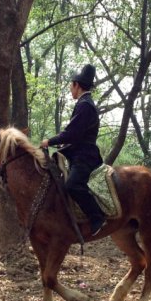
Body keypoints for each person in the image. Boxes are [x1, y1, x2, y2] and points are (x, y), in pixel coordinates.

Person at [40, 64, 107, 236]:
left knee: (72, 185)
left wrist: (50, 141)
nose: (70, 89)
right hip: (77, 152)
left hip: (84, 156)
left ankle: (96, 217)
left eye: (71, 85)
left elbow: (71, 133)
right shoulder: (84, 104)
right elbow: (76, 136)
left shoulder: (85, 105)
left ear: (77, 85)